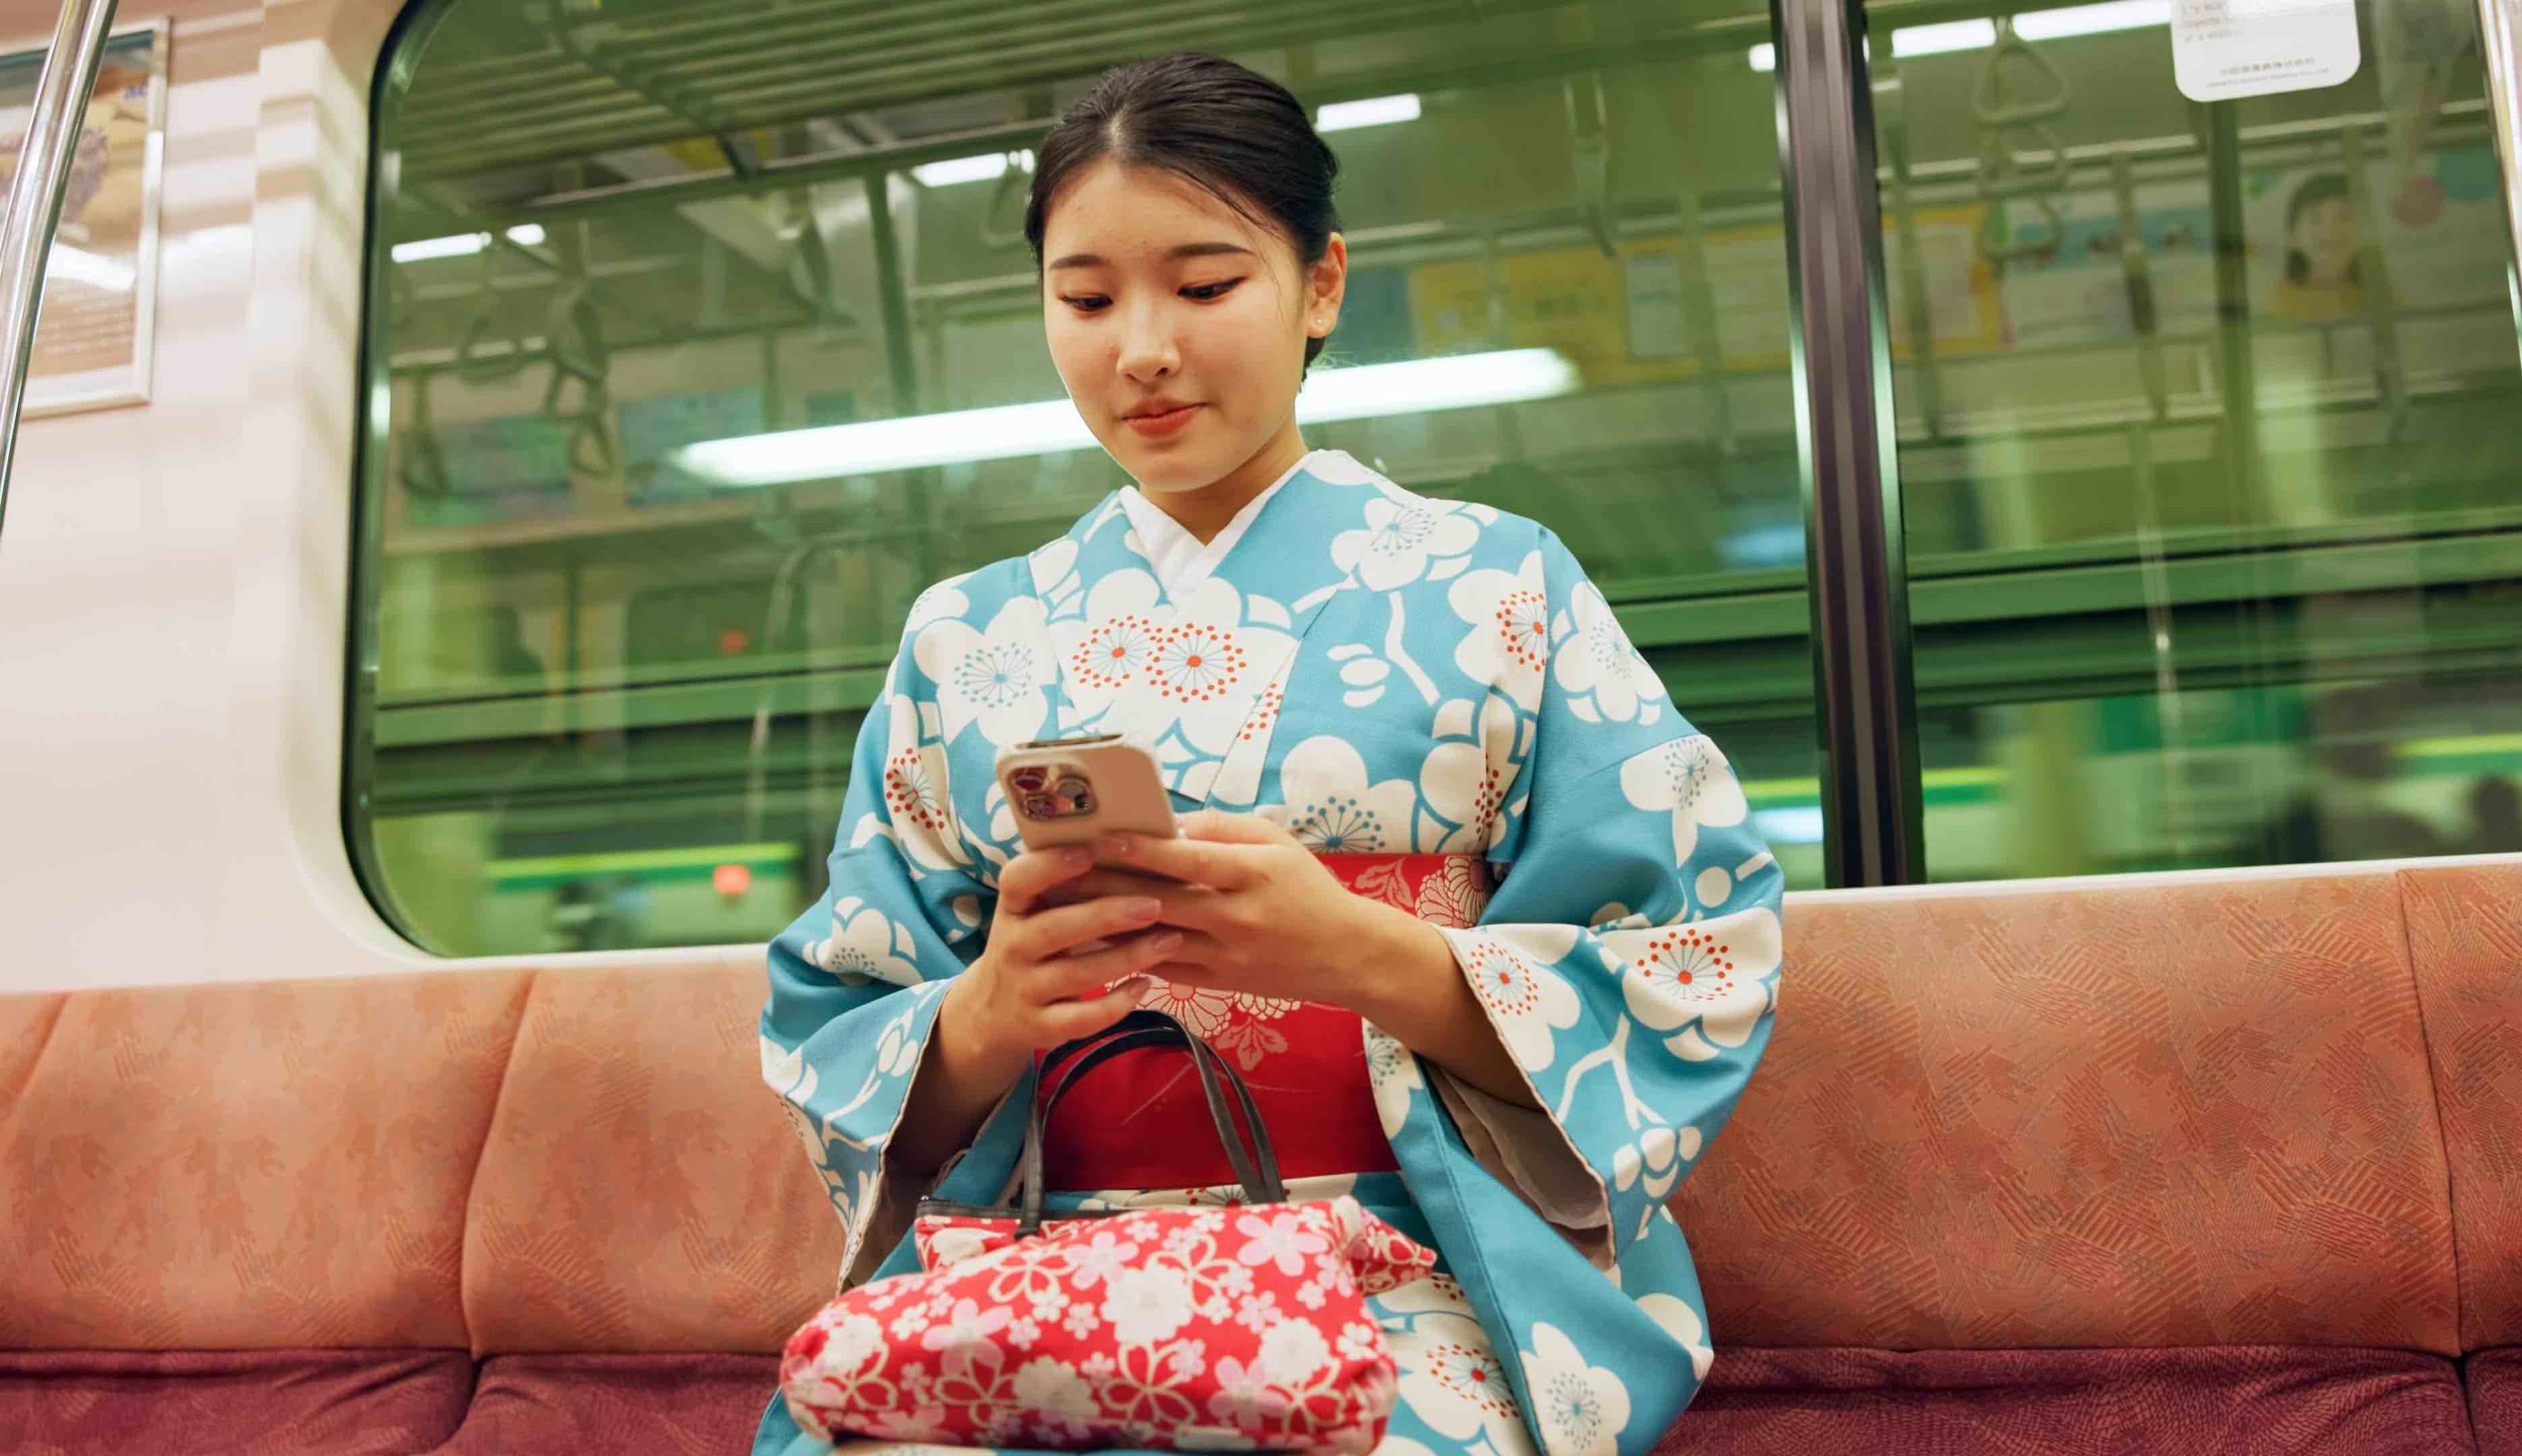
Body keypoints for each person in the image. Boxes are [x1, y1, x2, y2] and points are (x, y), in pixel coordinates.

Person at [752, 53, 1784, 1456]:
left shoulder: (1498, 586)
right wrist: (995, 1006)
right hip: (1037, 1260)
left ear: (1319, 286)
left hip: (1409, 1262)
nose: (1142, 348)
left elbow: (1692, 946)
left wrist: (1360, 956)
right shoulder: (962, 638)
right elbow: (843, 1015)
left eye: (1204, 282)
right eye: (1086, 297)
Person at [2268, 173, 2371, 322]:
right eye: (2315, 219)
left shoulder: (2380, 296)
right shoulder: (2279, 303)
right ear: (2293, 237)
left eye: (2344, 217)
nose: (2331, 229)